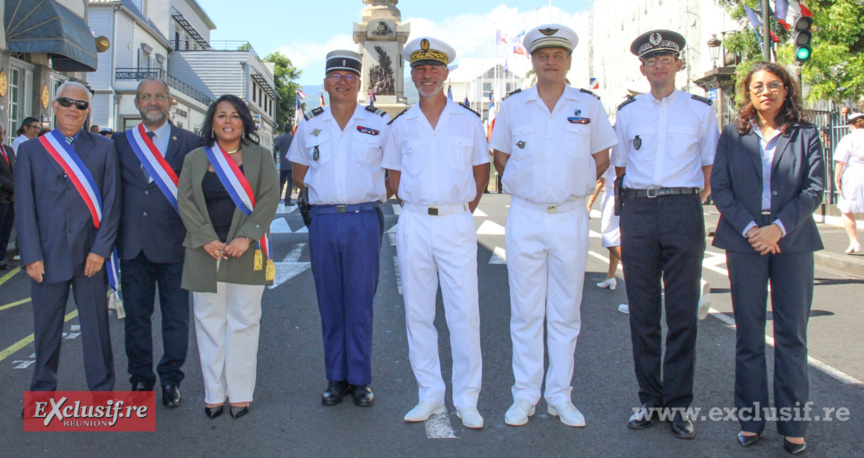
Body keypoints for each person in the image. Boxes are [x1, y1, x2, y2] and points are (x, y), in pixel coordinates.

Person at [490, 24, 616, 428]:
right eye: (543, 55)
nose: (551, 61)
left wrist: (569, 189)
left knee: (565, 312)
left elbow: (601, 158)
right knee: (526, 312)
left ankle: (560, 395)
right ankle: (525, 395)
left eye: (558, 55)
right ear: (532, 61)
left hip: (570, 216)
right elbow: (502, 158)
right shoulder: (513, 107)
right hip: (526, 215)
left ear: (569, 61)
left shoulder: (589, 106)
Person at [712, 62, 824, 455]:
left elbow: (814, 188)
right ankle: (751, 420)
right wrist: (751, 229)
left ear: (786, 90)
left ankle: (794, 425)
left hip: (791, 242)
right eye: (758, 86)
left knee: (792, 336)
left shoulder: (805, 134)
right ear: (748, 92)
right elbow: (721, 189)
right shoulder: (733, 134)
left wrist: (779, 227)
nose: (766, 92)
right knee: (749, 334)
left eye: (774, 85)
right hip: (746, 241)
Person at [612, 30, 719, 439]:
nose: (658, 66)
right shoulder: (628, 112)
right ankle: (649, 400)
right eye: (651, 61)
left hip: (681, 208)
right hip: (638, 209)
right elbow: (620, 167)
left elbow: (708, 166)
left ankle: (679, 404)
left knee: (681, 313)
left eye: (666, 59)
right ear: (642, 68)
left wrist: (687, 201)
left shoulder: (700, 111)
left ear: (678, 65)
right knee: (641, 311)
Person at [383, 36, 490, 429]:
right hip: (413, 220)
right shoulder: (401, 125)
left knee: (464, 312)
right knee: (418, 312)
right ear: (412, 75)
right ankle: (429, 393)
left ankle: (467, 399)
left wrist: (459, 211)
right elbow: (393, 179)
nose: (427, 75)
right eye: (420, 69)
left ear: (446, 74)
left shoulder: (469, 121)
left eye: (434, 68)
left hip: (455, 221)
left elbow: (481, 173)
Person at [289, 50, 390, 408]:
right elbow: (300, 173)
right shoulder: (310, 124)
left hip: (364, 218)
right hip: (325, 220)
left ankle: (360, 380)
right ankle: (336, 378)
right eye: (336, 76)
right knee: (330, 303)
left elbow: (391, 175)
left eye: (350, 76)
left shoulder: (379, 123)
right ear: (327, 82)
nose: (343, 81)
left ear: (359, 84)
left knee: (360, 302)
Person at [177, 94, 278, 420]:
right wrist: (205, 239)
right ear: (212, 122)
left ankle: (240, 393)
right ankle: (214, 394)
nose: (228, 121)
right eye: (221, 116)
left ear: (244, 121)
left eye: (235, 115)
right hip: (205, 252)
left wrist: (247, 236)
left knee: (244, 323)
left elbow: (269, 198)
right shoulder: (195, 158)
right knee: (209, 324)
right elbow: (186, 201)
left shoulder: (261, 157)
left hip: (246, 252)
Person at [14, 81, 120, 392]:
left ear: (88, 112)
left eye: (81, 105)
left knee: (96, 329)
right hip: (45, 256)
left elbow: (113, 203)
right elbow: (24, 206)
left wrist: (101, 250)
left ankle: (102, 391)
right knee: (45, 330)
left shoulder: (104, 147)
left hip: (90, 255)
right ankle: (42, 392)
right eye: (66, 102)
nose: (73, 109)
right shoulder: (31, 150)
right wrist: (31, 255)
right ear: (55, 106)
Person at [113, 78, 202, 406]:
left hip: (176, 244)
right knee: (136, 317)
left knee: (176, 317)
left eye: (160, 97)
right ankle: (140, 378)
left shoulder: (191, 142)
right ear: (136, 103)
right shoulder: (120, 143)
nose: (153, 102)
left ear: (170, 103)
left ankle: (171, 379)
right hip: (133, 244)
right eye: (146, 97)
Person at [594, 166, 630, 314]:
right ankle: (610, 275)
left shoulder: (612, 146)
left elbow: (600, 180)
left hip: (614, 192)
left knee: (608, 238)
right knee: (616, 238)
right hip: (622, 191)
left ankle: (640, 269)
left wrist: (589, 204)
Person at [833, 112, 864, 254]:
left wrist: (836, 179)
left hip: (854, 174)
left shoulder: (849, 138)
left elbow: (841, 161)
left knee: (846, 209)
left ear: (851, 125)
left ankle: (854, 241)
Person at [0, 125, 16, 269]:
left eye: (1, 133)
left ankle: (2, 256)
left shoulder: (9, 150)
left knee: (7, 229)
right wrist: (12, 189)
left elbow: (15, 170)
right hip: (2, 197)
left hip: (11, 198)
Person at [275, 122, 295, 206]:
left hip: (283, 164)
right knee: (290, 183)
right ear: (291, 129)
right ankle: (287, 200)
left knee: (281, 182)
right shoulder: (293, 138)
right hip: (291, 164)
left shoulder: (279, 138)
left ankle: (277, 199)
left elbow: (276, 148)